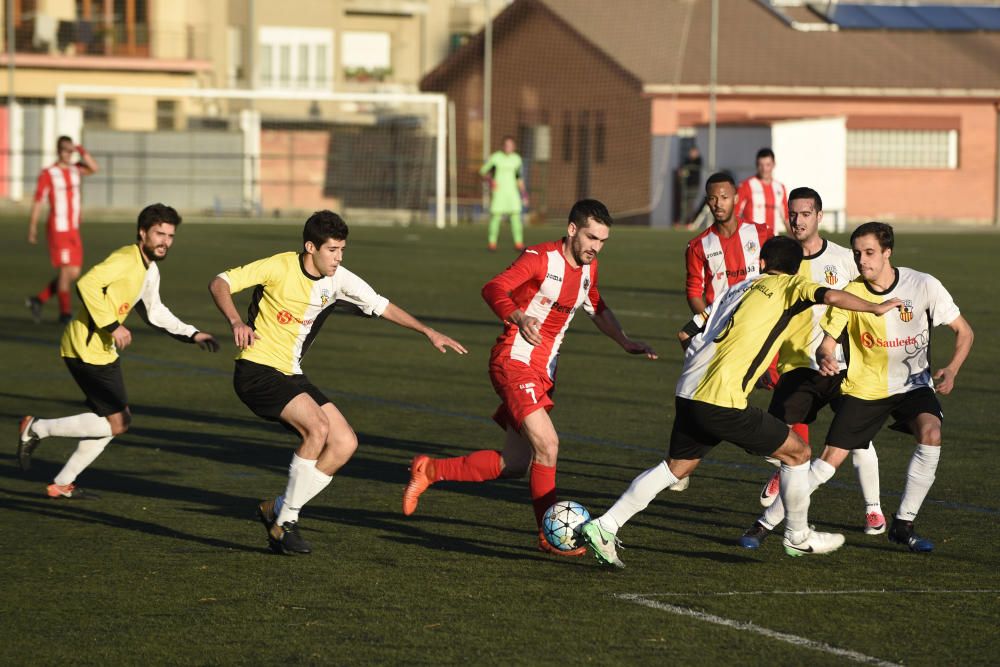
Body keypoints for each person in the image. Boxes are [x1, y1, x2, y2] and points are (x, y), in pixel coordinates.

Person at [579, 236, 902, 568]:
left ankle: (605, 525)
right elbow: (831, 296)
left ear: (762, 263)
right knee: (799, 453)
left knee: (677, 467)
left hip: (689, 391)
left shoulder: (736, 289)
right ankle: (798, 535)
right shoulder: (791, 286)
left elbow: (686, 333)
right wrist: (876, 307)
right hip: (723, 399)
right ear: (795, 269)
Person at [401, 199, 657, 556]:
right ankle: (548, 535)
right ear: (571, 230)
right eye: (590, 237)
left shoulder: (589, 269)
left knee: (516, 463)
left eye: (602, 241)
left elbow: (596, 306)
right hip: (514, 361)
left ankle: (430, 470)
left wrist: (624, 340)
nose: (595, 247)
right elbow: (493, 288)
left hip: (544, 373)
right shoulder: (540, 257)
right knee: (548, 446)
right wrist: (519, 317)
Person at [208, 210, 467, 556]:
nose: (338, 257)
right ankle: (284, 525)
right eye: (332, 250)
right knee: (316, 428)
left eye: (342, 249)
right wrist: (237, 321)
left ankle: (278, 509)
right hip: (256, 370)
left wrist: (427, 331)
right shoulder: (278, 266)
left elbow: (382, 305)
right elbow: (219, 283)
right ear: (310, 247)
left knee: (344, 443)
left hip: (291, 374)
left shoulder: (339, 279)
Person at [754, 222, 973, 553]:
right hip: (865, 390)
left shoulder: (923, 285)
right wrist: (825, 356)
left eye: (869, 253)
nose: (862, 260)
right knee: (826, 466)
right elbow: (827, 344)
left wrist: (953, 370)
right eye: (857, 254)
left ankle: (903, 524)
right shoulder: (852, 293)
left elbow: (964, 331)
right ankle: (763, 524)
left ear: (887, 252)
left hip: (913, 385)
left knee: (931, 433)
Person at [17, 204, 219, 497]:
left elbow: (155, 312)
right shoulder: (126, 258)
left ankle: (61, 483)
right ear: (142, 232)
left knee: (111, 423)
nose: (165, 241)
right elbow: (87, 284)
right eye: (159, 233)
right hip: (85, 349)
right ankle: (37, 428)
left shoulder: (149, 269)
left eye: (170, 235)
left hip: (102, 351)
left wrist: (192, 334)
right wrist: (113, 325)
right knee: (119, 422)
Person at [740, 188, 885, 550]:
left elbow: (867, 294)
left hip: (841, 364)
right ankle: (784, 485)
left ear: (819, 216)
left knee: (858, 436)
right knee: (782, 443)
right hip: (795, 365)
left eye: (805, 214)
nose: (798, 220)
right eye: (793, 214)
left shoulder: (842, 258)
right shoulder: (782, 261)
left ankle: (873, 509)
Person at [678, 171, 773, 491]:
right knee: (707, 392)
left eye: (724, 197)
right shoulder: (698, 245)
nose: (718, 203)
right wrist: (709, 318)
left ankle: (784, 459)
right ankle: (682, 460)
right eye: (712, 198)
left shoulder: (760, 234)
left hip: (759, 327)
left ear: (736, 198)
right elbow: (693, 290)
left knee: (781, 389)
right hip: (720, 333)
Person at [25, 135, 99, 324]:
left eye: (70, 150)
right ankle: (65, 314)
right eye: (65, 150)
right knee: (67, 271)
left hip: (73, 228)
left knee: (74, 272)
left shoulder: (76, 169)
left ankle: (38, 300)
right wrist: (32, 227)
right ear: (58, 151)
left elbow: (95, 168)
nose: (68, 154)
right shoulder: (48, 173)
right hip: (58, 229)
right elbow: (38, 201)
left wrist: (80, 149)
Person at [480, 135, 529, 252]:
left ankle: (518, 243)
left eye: (510, 145)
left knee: (516, 218)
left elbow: (519, 178)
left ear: (514, 147)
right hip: (499, 193)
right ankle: (492, 243)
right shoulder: (496, 158)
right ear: (503, 146)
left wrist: (524, 194)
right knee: (496, 217)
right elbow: (483, 171)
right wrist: (491, 181)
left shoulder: (517, 159)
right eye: (506, 145)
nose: (508, 147)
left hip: (512, 193)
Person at [736, 147, 788, 236]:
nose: (764, 169)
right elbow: (735, 215)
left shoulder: (780, 187)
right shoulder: (746, 186)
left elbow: (786, 218)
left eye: (768, 165)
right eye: (761, 165)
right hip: (751, 239)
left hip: (773, 240)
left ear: (774, 164)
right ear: (756, 165)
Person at [677, 145, 702, 226]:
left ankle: (690, 221)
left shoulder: (698, 160)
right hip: (686, 185)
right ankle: (682, 221)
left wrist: (687, 171)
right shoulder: (687, 160)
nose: (692, 154)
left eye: (694, 152)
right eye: (691, 152)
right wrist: (681, 172)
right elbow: (682, 168)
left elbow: (694, 168)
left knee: (690, 204)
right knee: (684, 204)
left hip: (694, 185)